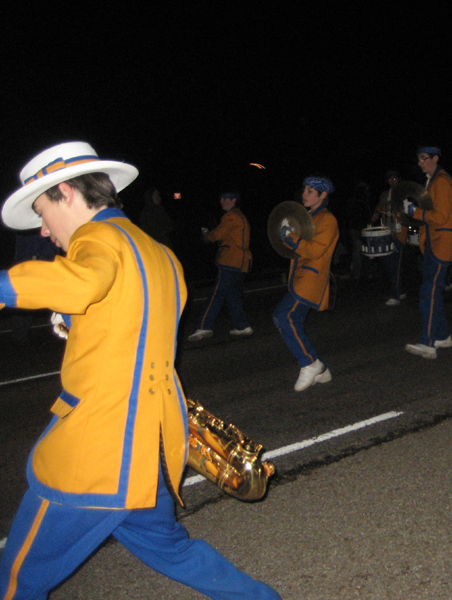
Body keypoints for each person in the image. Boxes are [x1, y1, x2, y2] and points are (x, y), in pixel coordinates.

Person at [0, 141, 281, 600]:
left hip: (95, 454)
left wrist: (11, 285)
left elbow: (85, 281)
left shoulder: (95, 241)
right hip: (145, 453)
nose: (45, 231)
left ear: (67, 193)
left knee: (14, 582)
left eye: (42, 212)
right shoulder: (158, 252)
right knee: (173, 551)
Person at [273, 176, 339, 391]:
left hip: (311, 280)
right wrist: (287, 235)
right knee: (292, 320)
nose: (304, 195)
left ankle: (310, 363)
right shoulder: (309, 218)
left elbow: (314, 250)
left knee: (284, 316)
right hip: (300, 279)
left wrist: (290, 237)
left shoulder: (328, 220)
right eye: (305, 190)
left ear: (323, 195)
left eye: (311, 191)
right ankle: (321, 370)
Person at [403, 146, 452, 359]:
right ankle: (443, 335)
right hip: (435, 244)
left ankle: (427, 342)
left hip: (442, 244)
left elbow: (442, 216)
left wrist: (415, 212)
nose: (420, 162)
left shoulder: (442, 182)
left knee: (428, 292)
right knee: (432, 290)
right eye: (418, 159)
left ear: (435, 158)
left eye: (424, 158)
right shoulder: (433, 181)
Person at [188, 191, 253, 341]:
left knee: (216, 294)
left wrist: (206, 235)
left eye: (226, 199)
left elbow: (216, 235)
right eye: (221, 199)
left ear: (234, 200)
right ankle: (243, 326)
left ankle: (204, 327)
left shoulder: (230, 216)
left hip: (230, 261)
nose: (222, 202)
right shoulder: (240, 216)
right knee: (233, 295)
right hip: (241, 263)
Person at [371, 170, 409, 306]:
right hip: (386, 231)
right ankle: (400, 290)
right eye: (390, 178)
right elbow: (379, 207)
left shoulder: (405, 193)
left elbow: (410, 211)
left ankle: (395, 294)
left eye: (394, 178)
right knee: (389, 263)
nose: (392, 180)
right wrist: (376, 213)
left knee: (396, 263)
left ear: (399, 179)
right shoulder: (385, 194)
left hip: (399, 232)